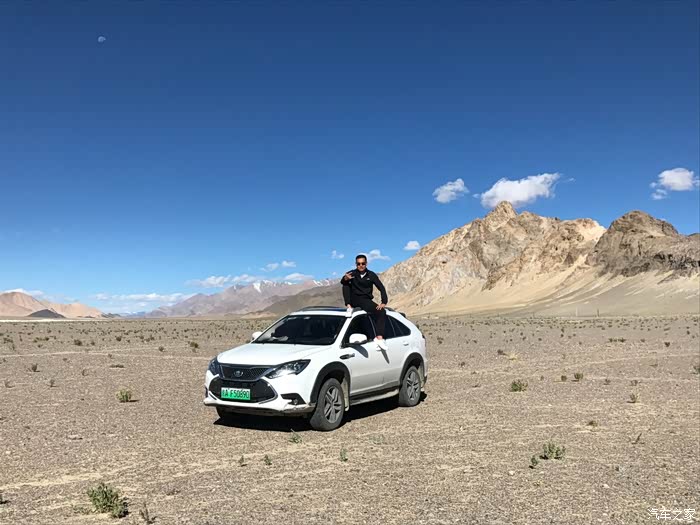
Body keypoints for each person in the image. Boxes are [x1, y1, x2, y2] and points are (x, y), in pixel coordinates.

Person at [340, 254, 389, 350]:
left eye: (363, 263)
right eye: (358, 264)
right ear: (356, 264)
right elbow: (343, 281)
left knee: (381, 311)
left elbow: (381, 287)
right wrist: (345, 279)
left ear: (366, 263)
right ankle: (349, 306)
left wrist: (384, 302)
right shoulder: (352, 273)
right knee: (345, 284)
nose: (361, 265)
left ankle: (379, 338)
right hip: (354, 299)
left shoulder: (371, 275)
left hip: (366, 300)